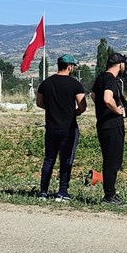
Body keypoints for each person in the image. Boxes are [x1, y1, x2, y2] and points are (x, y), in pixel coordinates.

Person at [35, 54, 87, 201]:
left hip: (51, 128)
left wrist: (52, 109)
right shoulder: (75, 84)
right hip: (68, 128)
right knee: (66, 159)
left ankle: (43, 191)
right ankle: (62, 192)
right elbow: (82, 106)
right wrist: (75, 112)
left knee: (49, 159)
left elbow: (39, 103)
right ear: (69, 67)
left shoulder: (46, 83)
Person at [92, 52, 127, 204]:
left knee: (109, 159)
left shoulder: (101, 77)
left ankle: (110, 192)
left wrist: (101, 109)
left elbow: (93, 95)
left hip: (103, 124)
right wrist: (116, 110)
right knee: (113, 161)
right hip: (112, 126)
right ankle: (109, 196)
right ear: (120, 64)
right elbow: (107, 98)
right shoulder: (110, 80)